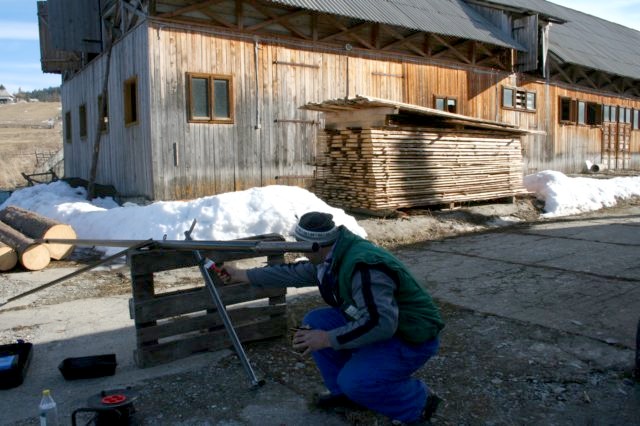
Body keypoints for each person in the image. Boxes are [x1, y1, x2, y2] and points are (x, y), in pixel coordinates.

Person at [222, 211, 445, 424]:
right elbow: (291, 272)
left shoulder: (363, 266)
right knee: (316, 322)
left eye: (300, 243)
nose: (297, 248)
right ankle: (347, 396)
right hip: (384, 323)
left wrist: (327, 339)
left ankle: (418, 403)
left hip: (410, 335)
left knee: (355, 380)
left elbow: (382, 323)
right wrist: (241, 274)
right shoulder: (331, 257)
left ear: (316, 245)